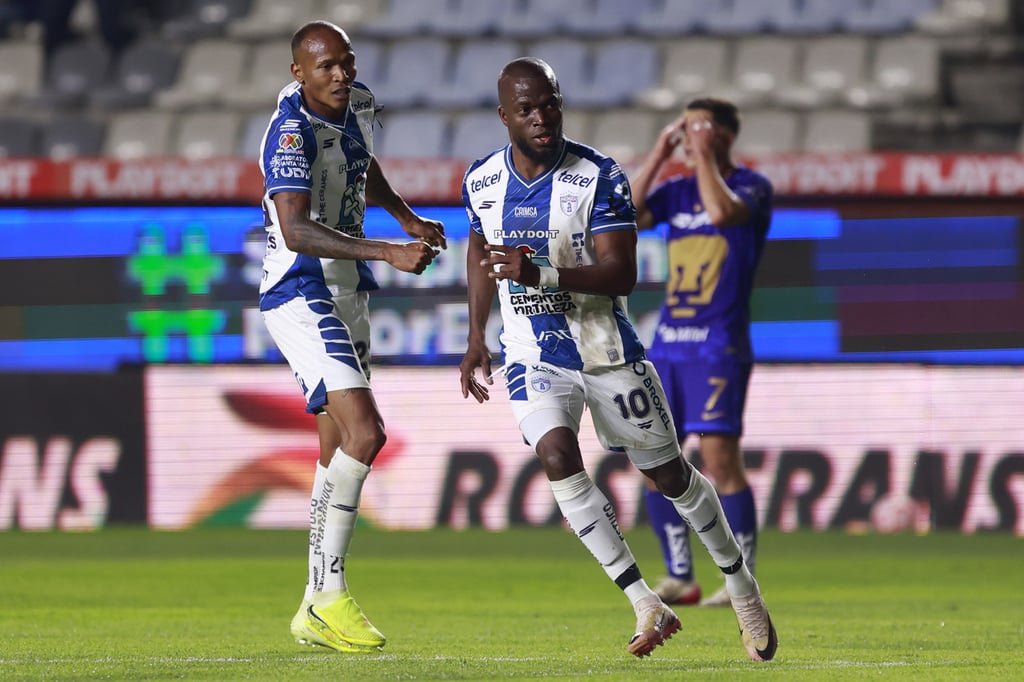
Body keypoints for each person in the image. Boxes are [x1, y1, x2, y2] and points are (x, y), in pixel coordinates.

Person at [458, 58, 777, 662]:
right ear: (505, 116)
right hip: (531, 349)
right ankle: (643, 602)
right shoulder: (480, 181)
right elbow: (480, 250)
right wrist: (478, 333)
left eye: (550, 103)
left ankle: (742, 587)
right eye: (526, 109)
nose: (542, 117)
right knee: (555, 455)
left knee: (669, 477)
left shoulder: (598, 176)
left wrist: (540, 270)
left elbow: (622, 274)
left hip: (605, 351)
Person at [258, 21, 446, 652]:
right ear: (298, 73)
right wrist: (386, 249)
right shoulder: (289, 132)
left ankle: (312, 604)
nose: (341, 75)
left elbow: (361, 165)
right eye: (326, 67)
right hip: (301, 288)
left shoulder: (357, 105)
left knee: (335, 447)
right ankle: (330, 594)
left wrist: (407, 215)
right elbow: (294, 229)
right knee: (367, 433)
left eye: (347, 62)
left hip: (346, 288)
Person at [629, 98, 773, 608]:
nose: (688, 138)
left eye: (697, 129)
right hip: (669, 344)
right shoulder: (675, 189)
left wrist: (706, 157)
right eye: (684, 130)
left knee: (718, 458)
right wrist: (657, 154)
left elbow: (720, 211)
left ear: (723, 136)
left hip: (719, 345)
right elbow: (627, 216)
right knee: (652, 459)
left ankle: (742, 577)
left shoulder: (752, 187)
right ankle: (681, 575)